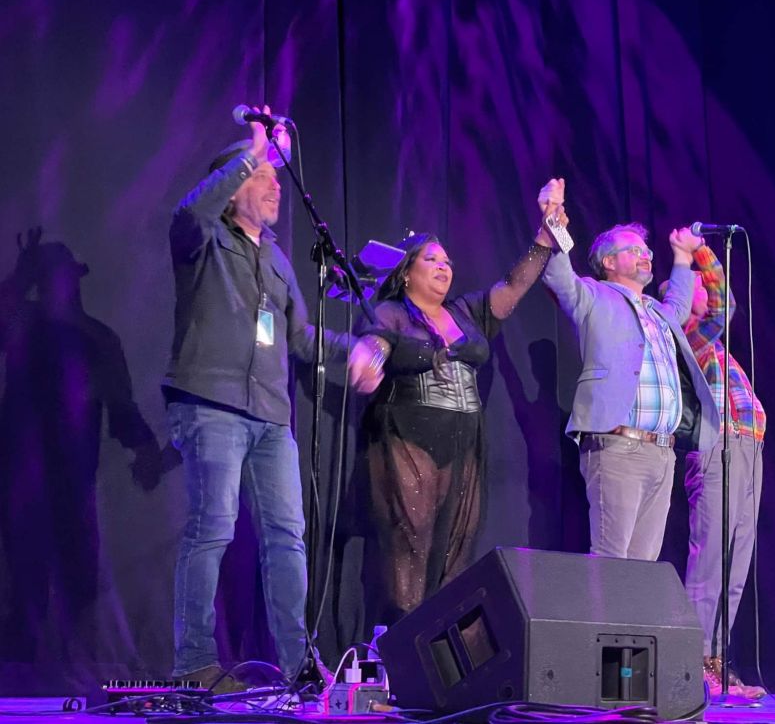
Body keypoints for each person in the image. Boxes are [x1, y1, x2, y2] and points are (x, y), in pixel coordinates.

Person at [163, 108, 364, 689]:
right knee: (213, 528)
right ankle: (194, 665)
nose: (275, 182)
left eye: (276, 175)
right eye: (262, 177)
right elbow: (187, 210)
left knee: (287, 536)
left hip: (272, 416)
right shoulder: (202, 235)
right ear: (232, 190)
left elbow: (299, 335)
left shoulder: (276, 257)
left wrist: (352, 352)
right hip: (212, 403)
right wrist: (253, 150)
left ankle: (300, 665)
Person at [347, 206, 560, 622]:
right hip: (408, 436)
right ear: (407, 272)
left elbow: (515, 286)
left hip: (464, 440)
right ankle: (398, 648)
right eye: (431, 259)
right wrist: (365, 360)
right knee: (411, 544)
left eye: (447, 261)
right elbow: (375, 344)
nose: (444, 266)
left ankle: (439, 656)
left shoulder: (468, 312)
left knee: (456, 546)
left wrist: (544, 241)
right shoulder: (391, 312)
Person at [538, 179, 720, 561]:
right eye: (634, 250)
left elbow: (681, 304)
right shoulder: (593, 295)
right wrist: (553, 217)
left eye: (647, 250)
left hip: (661, 453)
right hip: (618, 445)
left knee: (642, 572)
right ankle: (600, 625)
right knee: (611, 563)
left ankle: (626, 626)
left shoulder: (658, 311)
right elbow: (558, 276)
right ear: (608, 262)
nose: (645, 255)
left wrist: (683, 257)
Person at [660, 245, 766, 699]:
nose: (705, 293)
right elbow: (725, 307)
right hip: (719, 448)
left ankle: (716, 664)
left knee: (735, 565)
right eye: (696, 290)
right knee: (709, 565)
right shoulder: (688, 337)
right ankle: (693, 662)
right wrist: (702, 251)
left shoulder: (715, 347)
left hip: (748, 448)